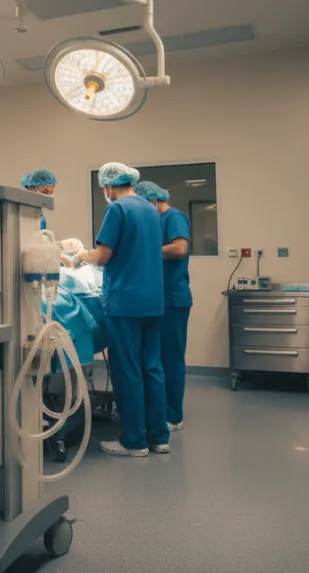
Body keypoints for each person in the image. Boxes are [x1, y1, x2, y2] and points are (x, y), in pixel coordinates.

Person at [78, 163, 168, 457]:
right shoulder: (150, 209)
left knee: (127, 370)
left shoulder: (117, 210)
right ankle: (158, 437)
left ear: (108, 186)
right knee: (152, 368)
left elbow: (103, 256)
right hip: (153, 301)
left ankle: (134, 441)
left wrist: (79, 257)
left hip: (125, 303)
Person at [134, 181, 191, 433]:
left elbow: (179, 249)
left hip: (174, 299)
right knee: (157, 358)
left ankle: (173, 416)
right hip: (159, 299)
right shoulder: (157, 221)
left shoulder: (173, 216)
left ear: (153, 201)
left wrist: (144, 251)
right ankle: (157, 410)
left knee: (171, 358)